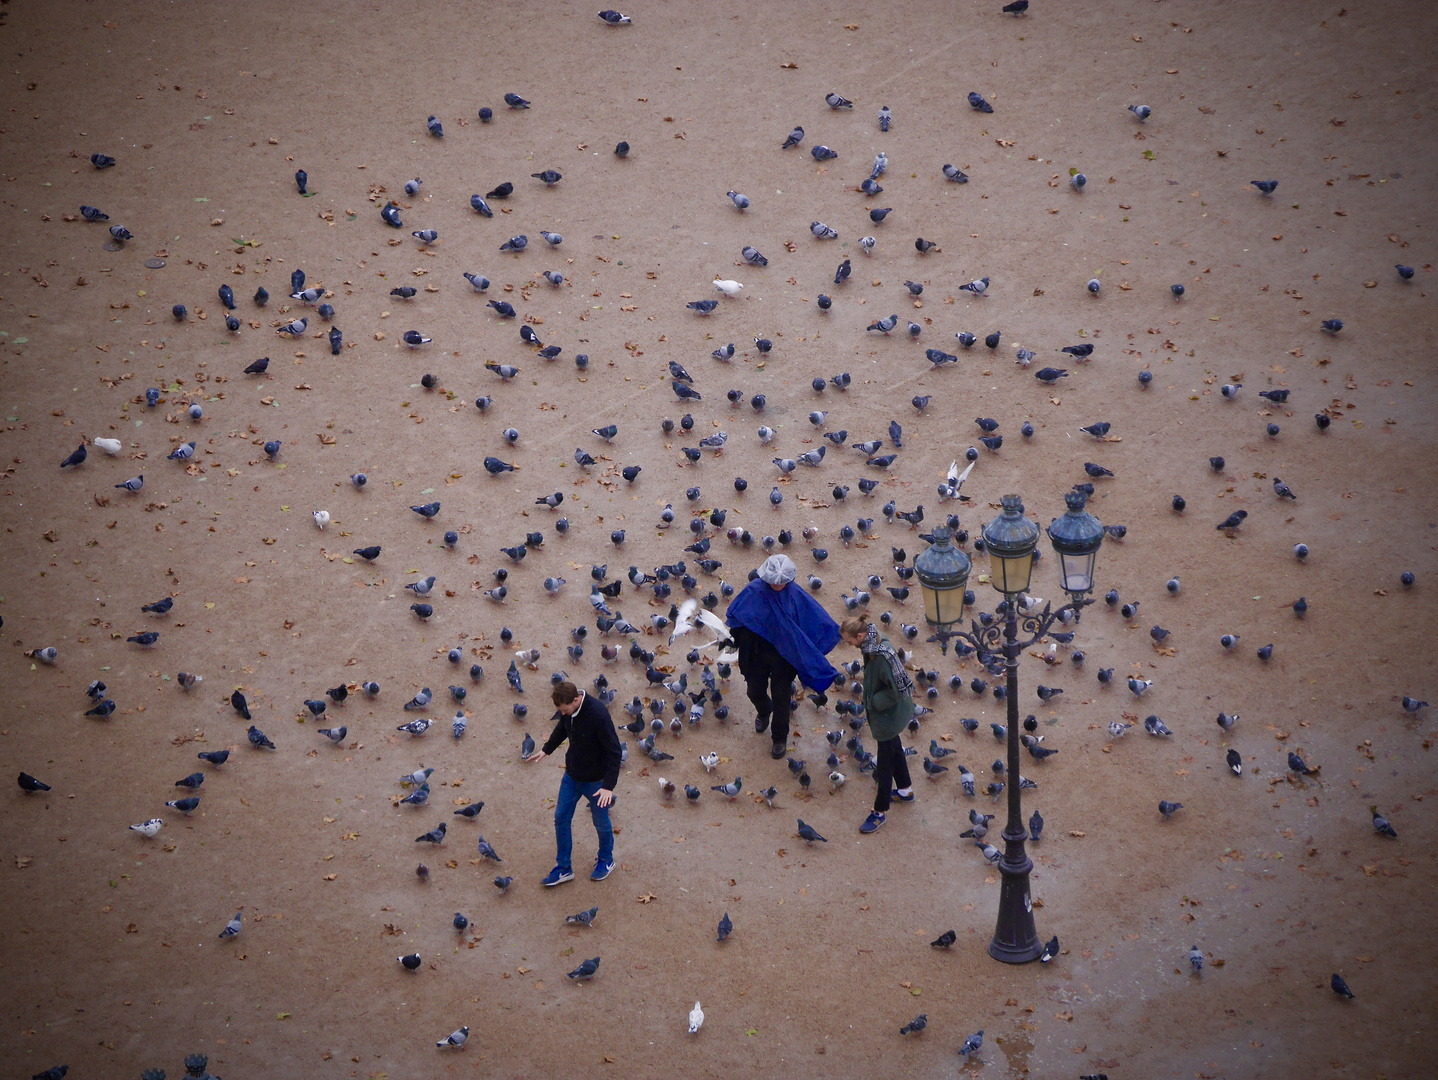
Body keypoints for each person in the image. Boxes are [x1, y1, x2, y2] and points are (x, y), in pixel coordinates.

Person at [725, 553, 841, 759]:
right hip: (757, 653)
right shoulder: (753, 591)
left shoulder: (796, 595)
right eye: (774, 581)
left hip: (784, 657)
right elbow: (738, 617)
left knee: (781, 698)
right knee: (754, 691)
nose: (778, 585)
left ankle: (779, 738)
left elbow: (814, 621)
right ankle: (763, 710)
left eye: (782, 581)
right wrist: (732, 638)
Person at [524, 681, 622, 885]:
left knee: (601, 823)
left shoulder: (598, 714)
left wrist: (608, 787)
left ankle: (606, 859)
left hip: (596, 782)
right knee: (561, 817)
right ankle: (564, 868)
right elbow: (562, 728)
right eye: (561, 710)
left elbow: (614, 751)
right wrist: (546, 749)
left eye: (565, 709)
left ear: (576, 700)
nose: (564, 713)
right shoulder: (568, 712)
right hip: (572, 776)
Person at [839, 613, 916, 833]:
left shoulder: (879, 656)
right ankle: (905, 790)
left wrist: (872, 702)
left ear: (860, 635)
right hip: (894, 714)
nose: (849, 644)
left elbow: (893, 692)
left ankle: (879, 812)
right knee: (895, 749)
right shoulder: (875, 641)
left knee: (883, 766)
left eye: (850, 640)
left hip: (887, 716)